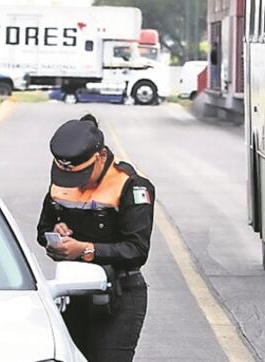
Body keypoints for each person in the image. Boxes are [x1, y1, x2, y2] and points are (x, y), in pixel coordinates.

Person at [37, 114, 155, 361]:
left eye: (83, 174)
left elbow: (137, 250)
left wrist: (84, 249)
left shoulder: (131, 186)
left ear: (101, 156)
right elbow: (43, 229)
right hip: (74, 293)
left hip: (120, 294)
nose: (75, 183)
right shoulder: (61, 180)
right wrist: (56, 233)